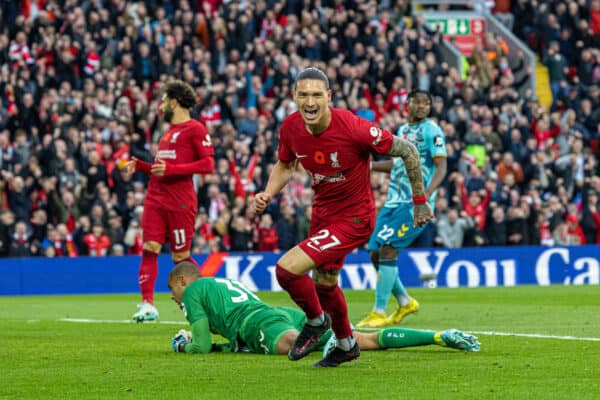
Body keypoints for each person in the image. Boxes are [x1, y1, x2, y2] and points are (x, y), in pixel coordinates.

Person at [253, 68, 433, 367]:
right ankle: (347, 344)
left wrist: (420, 201)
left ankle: (315, 321)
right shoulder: (290, 128)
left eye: (316, 95)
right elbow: (285, 165)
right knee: (323, 284)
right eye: (303, 95)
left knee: (286, 271)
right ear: (294, 97)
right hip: (322, 214)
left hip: (355, 218)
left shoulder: (353, 127)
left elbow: (408, 150)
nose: (310, 102)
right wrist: (268, 193)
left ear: (329, 97)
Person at [168, 262, 480, 358]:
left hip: (258, 322)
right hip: (275, 313)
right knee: (362, 339)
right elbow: (222, 346)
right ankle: (438, 335)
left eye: (172, 289)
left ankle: (327, 342)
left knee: (292, 344)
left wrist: (184, 346)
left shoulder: (193, 290)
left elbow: (202, 346)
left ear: (182, 280)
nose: (173, 297)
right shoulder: (219, 283)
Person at [125, 80, 215, 322]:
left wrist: (173, 169)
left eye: (164, 100)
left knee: (179, 256)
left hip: (180, 202)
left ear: (174, 102)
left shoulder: (195, 129)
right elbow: (161, 169)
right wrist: (142, 166)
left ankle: (211, 297)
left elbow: (208, 164)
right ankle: (147, 305)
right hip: (155, 198)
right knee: (149, 248)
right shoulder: (167, 133)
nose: (160, 105)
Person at [357, 90, 447, 328]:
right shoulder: (402, 132)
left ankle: (378, 311)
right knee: (375, 251)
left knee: (388, 249)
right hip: (392, 201)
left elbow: (441, 167)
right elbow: (397, 164)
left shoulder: (432, 131)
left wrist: (424, 198)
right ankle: (405, 301)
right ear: (407, 105)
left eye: (426, 102)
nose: (422, 106)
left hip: (413, 203)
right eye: (417, 102)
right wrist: (370, 167)